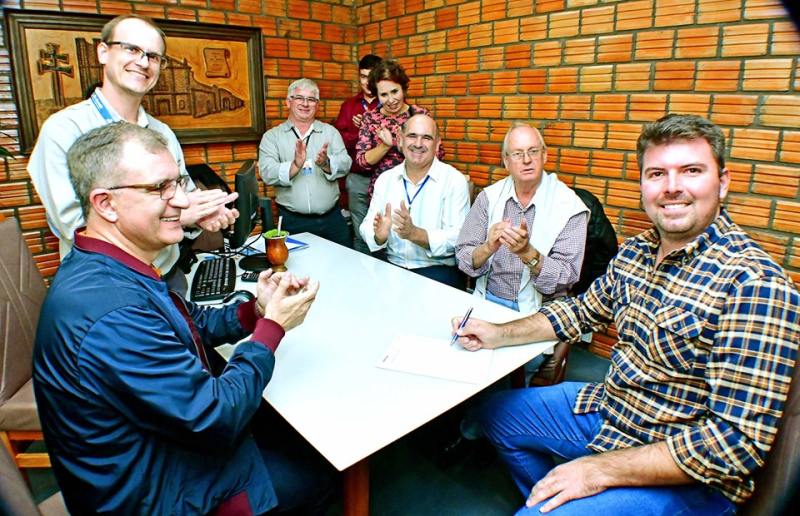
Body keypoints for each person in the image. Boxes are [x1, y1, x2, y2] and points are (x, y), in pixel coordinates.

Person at [453, 114, 800, 516]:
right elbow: (578, 312)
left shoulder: (754, 282)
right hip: (616, 409)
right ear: (643, 185)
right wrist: (498, 332)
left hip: (687, 469)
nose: (672, 186)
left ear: (722, 182)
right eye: (656, 173)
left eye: (691, 171)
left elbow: (733, 445)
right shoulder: (636, 252)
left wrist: (598, 471)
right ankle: (554, 497)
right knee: (496, 414)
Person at [33, 122, 336, 515]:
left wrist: (256, 309)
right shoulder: (112, 312)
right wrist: (273, 327)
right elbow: (216, 416)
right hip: (156, 496)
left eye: (177, 183)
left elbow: (186, 321)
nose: (180, 200)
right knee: (321, 470)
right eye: (159, 188)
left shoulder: (108, 266)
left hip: (157, 456)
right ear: (106, 204)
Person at [27, 14, 236, 287]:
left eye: (153, 56)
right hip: (112, 286)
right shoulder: (64, 130)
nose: (143, 62)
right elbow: (77, 228)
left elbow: (182, 198)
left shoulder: (162, 133)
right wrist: (180, 217)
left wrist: (203, 216)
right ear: (103, 52)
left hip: (168, 277)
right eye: (132, 49)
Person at [455, 122, 589, 314]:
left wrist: (527, 253)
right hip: (487, 299)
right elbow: (463, 256)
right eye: (518, 154)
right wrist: (487, 248)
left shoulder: (569, 206)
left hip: (542, 310)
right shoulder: (489, 197)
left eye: (533, 151)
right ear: (506, 161)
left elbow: (566, 276)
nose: (526, 160)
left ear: (544, 155)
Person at [360, 114, 469, 289]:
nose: (418, 144)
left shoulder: (454, 181)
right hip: (392, 266)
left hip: (437, 271)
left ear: (437, 144)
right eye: (412, 136)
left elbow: (459, 238)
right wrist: (378, 236)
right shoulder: (385, 179)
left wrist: (415, 234)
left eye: (426, 138)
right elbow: (366, 226)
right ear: (400, 139)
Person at [259, 78, 353, 248]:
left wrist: (326, 163)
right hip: (292, 222)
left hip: (332, 221)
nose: (305, 104)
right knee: (297, 265)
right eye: (299, 98)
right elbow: (267, 172)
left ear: (317, 105)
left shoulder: (330, 132)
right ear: (288, 102)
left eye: (311, 99)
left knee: (344, 261)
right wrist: (295, 166)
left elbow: (346, 163)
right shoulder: (272, 137)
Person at [355, 59, 444, 202]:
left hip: (419, 191)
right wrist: (385, 146)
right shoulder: (370, 118)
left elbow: (438, 154)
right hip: (384, 193)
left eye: (394, 91)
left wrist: (403, 147)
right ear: (377, 95)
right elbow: (363, 161)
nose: (391, 100)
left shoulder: (419, 115)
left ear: (403, 88)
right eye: (384, 95)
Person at [334, 54, 383, 254]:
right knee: (360, 234)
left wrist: (368, 128)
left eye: (372, 76)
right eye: (363, 77)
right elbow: (339, 139)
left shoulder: (391, 103)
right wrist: (361, 135)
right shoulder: (349, 106)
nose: (367, 82)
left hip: (385, 177)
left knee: (387, 234)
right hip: (358, 178)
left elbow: (397, 141)